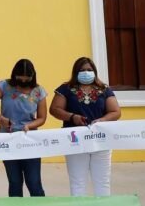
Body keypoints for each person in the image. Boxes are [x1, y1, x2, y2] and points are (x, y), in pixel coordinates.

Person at [49, 56, 121, 196]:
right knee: (78, 182)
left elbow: (116, 112)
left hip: (100, 140)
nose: (86, 72)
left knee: (102, 181)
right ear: (75, 72)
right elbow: (54, 109)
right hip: (75, 141)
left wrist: (103, 120)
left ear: (94, 71)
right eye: (82, 70)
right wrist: (72, 117)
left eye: (89, 69)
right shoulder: (66, 89)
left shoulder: (104, 89)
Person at [0, 58, 47, 197]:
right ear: (14, 75)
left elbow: (42, 118)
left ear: (32, 76)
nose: (23, 81)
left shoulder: (38, 91)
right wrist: (1, 118)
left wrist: (29, 125)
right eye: (20, 78)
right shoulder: (4, 86)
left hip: (30, 140)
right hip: (8, 138)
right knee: (15, 181)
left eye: (27, 78)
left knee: (34, 182)